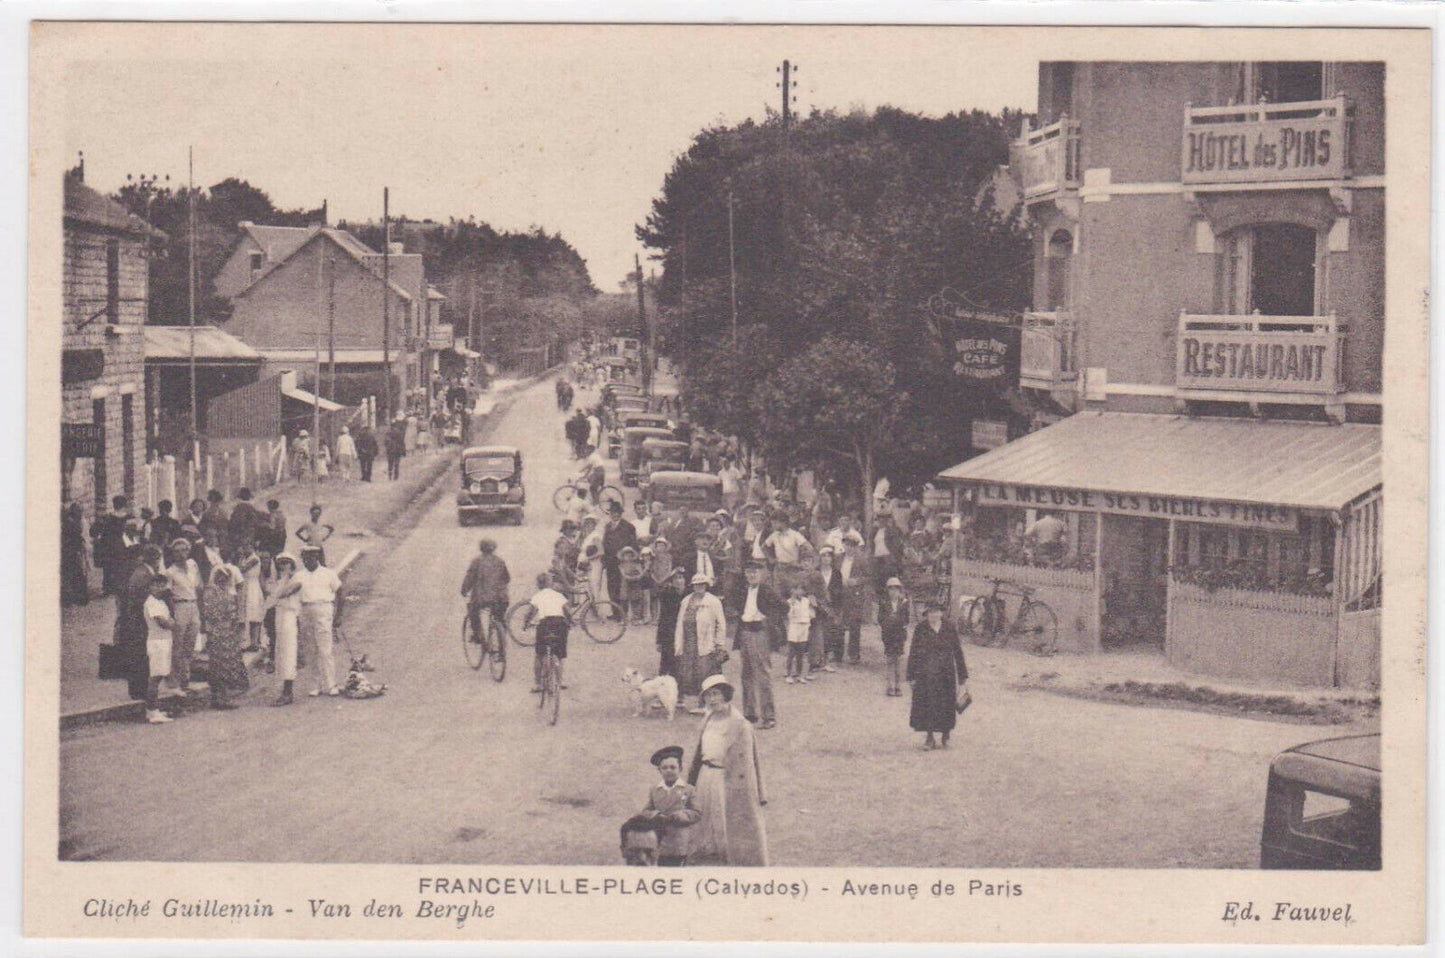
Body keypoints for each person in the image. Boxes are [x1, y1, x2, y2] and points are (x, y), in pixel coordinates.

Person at [686, 675, 768, 866]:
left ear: (725, 696)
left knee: (727, 819)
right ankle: (707, 851)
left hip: (727, 777)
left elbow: (750, 762)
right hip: (705, 775)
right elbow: (699, 752)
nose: (713, 700)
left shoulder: (741, 725)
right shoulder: (708, 719)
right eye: (708, 696)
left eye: (716, 694)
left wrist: (756, 791)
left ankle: (733, 855)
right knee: (703, 816)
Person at [272, 546, 345, 697]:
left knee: (325, 649)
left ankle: (331, 684)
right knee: (311, 650)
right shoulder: (299, 576)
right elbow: (285, 591)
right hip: (305, 611)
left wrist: (338, 616)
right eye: (304, 558)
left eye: (310, 557)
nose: (307, 561)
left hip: (323, 609)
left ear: (317, 557)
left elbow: (340, 592)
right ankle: (315, 685)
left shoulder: (328, 573)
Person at [906, 601, 969, 750]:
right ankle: (929, 738)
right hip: (925, 674)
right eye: (930, 612)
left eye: (936, 612)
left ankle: (945, 736)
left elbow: (957, 652)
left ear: (941, 613)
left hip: (946, 674)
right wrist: (911, 676)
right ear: (926, 614)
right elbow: (913, 652)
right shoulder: (920, 629)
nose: (933, 615)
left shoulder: (949, 628)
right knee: (927, 705)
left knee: (946, 705)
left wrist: (962, 677)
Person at [731, 562, 784, 729]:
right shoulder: (743, 590)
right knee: (745, 673)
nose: (751, 575)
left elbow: (784, 606)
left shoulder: (767, 590)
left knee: (762, 673)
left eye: (754, 572)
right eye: (748, 572)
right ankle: (750, 714)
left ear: (761, 574)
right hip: (745, 632)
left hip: (760, 632)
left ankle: (769, 716)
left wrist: (769, 620)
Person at [636, 745, 701, 867]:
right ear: (659, 770)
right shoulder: (655, 789)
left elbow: (697, 813)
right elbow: (646, 811)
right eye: (664, 768)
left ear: (680, 768)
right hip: (661, 840)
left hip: (680, 840)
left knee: (678, 868)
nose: (669, 771)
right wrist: (655, 815)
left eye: (673, 767)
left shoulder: (688, 790)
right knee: (662, 867)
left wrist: (683, 815)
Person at [200, 561, 248, 710]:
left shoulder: (229, 592)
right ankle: (219, 697)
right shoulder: (211, 592)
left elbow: (234, 613)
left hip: (228, 633)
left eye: (226, 577)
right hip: (217, 632)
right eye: (220, 577)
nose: (223, 580)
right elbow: (210, 613)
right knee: (218, 664)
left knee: (227, 664)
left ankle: (223, 696)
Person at [673, 572, 727, 704]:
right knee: (688, 672)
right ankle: (692, 700)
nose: (699, 588)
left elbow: (721, 623)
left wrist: (719, 643)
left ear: (706, 585)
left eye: (702, 585)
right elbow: (679, 622)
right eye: (696, 585)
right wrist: (678, 643)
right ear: (693, 586)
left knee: (705, 672)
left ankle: (706, 703)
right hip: (688, 641)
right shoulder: (686, 601)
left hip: (706, 641)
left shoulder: (713, 601)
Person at [164, 537, 203, 696]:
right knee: (177, 645)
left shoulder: (193, 565)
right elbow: (167, 594)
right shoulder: (170, 572)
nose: (181, 554)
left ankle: (185, 679)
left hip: (193, 605)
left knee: (190, 644)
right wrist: (172, 613)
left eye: (184, 550)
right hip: (179, 605)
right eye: (177, 551)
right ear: (173, 553)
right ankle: (174, 680)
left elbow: (199, 586)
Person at [524, 572, 571, 692]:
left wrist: (526, 623)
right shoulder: (558, 595)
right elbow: (567, 611)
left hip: (545, 624)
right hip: (560, 624)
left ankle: (538, 684)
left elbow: (530, 612)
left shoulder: (538, 596)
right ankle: (561, 681)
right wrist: (569, 622)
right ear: (550, 584)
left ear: (538, 585)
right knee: (559, 656)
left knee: (539, 655)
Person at [460, 538, 511, 647]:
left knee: (472, 610)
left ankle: (478, 635)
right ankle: (502, 638)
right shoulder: (500, 561)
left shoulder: (477, 561)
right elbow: (507, 578)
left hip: (483, 598)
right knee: (499, 617)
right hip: (501, 598)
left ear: (481, 548)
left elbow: (469, 578)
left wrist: (464, 590)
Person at [266, 554, 302, 706]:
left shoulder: (297, 579)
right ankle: (284, 690)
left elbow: (282, 593)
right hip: (278, 615)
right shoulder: (279, 581)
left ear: (292, 564)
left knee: (288, 652)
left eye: (286, 563)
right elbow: (270, 601)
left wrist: (275, 594)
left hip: (289, 615)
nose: (283, 566)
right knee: (280, 652)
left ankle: (288, 692)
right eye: (280, 563)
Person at [142, 574, 177, 724]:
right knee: (155, 677)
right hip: (157, 642)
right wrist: (172, 622)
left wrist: (171, 622)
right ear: (150, 586)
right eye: (156, 585)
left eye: (162, 585)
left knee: (160, 674)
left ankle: (153, 709)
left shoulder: (161, 602)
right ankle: (152, 711)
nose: (160, 588)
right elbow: (165, 623)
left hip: (164, 640)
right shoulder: (151, 603)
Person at [810, 544, 843, 672]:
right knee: (816, 633)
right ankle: (815, 661)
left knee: (829, 634)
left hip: (831, 607)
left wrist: (836, 609)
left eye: (829, 556)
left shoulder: (836, 573)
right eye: (824, 556)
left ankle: (826, 660)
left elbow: (839, 592)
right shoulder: (816, 572)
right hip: (817, 606)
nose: (826, 558)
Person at [600, 501, 637, 617]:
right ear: (610, 514)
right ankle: (615, 612)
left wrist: (629, 559)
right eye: (612, 513)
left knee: (623, 588)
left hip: (623, 562)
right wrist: (604, 559)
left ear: (621, 513)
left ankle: (623, 613)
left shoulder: (628, 526)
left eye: (617, 513)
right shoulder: (608, 526)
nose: (615, 515)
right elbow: (605, 543)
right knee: (611, 586)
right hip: (610, 561)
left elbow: (633, 545)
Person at [90, 495, 131, 597]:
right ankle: (120, 587)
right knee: (122, 566)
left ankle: (108, 588)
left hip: (108, 546)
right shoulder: (130, 517)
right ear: (125, 505)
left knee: (108, 568)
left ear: (114, 505)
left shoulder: (106, 518)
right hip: (124, 545)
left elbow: (93, 532)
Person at [653, 566, 688, 679]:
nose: (679, 581)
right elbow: (663, 617)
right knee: (667, 657)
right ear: (672, 582)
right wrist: (659, 640)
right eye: (676, 579)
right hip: (670, 629)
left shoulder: (689, 595)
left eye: (681, 578)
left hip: (685, 629)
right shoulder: (667, 594)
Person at [879, 577, 911, 696]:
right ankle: (889, 686)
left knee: (898, 660)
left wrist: (898, 621)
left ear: (900, 591)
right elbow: (880, 618)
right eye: (891, 589)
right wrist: (888, 622)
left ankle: (898, 686)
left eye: (896, 589)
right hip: (888, 635)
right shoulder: (884, 603)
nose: (893, 592)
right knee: (889, 660)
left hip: (899, 635)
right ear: (888, 591)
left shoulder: (904, 603)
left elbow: (906, 619)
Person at [784, 582, 815, 684]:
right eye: (797, 589)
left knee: (801, 652)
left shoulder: (806, 601)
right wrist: (792, 603)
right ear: (793, 590)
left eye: (801, 589)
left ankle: (799, 674)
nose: (799, 592)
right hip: (794, 626)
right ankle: (789, 674)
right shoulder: (789, 601)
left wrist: (811, 611)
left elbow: (811, 614)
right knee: (791, 652)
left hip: (804, 627)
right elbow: (788, 614)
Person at [61, 501, 89, 606]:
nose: (80, 513)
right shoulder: (71, 523)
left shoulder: (78, 521)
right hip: (73, 551)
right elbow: (77, 537)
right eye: (78, 511)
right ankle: (74, 599)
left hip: (75, 551)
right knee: (74, 574)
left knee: (77, 574)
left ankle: (77, 598)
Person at [227, 487, 262, 554]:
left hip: (238, 539)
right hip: (250, 538)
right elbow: (257, 524)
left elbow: (233, 525)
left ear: (239, 498)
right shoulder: (252, 509)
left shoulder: (238, 509)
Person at [385, 415, 407, 480]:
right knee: (397, 463)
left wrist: (387, 447)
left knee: (390, 462)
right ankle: (396, 476)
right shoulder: (399, 432)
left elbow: (385, 441)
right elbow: (402, 441)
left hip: (390, 449)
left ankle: (390, 475)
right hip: (397, 449)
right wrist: (404, 451)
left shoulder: (388, 432)